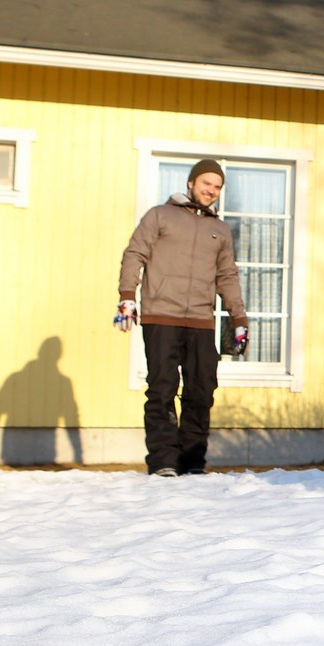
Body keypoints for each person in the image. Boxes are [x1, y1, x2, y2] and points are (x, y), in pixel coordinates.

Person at [117, 158, 248, 477]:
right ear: (191, 183)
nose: (211, 190)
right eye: (206, 183)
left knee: (201, 390)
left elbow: (227, 275)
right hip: (162, 316)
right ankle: (163, 459)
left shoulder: (219, 230)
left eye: (217, 187)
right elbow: (135, 253)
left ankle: (192, 460)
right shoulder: (159, 216)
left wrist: (239, 317)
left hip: (201, 321)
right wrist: (126, 297)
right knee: (161, 388)